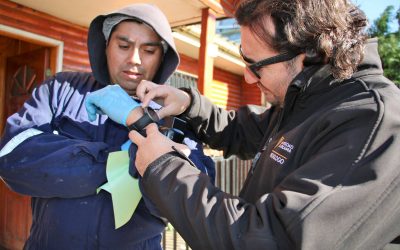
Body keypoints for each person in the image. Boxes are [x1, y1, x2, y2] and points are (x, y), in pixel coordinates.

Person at [106, 0, 399, 249]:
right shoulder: (307, 100)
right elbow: (240, 130)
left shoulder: (373, 122)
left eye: (254, 65)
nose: (247, 77)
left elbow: (268, 239)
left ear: (308, 54)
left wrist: (163, 167)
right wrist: (187, 102)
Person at [0, 3, 214, 249]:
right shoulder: (61, 89)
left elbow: (191, 199)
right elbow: (12, 158)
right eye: (123, 46)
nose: (134, 60)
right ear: (106, 47)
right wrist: (121, 163)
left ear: (162, 57)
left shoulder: (174, 114)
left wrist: (143, 121)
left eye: (149, 50)